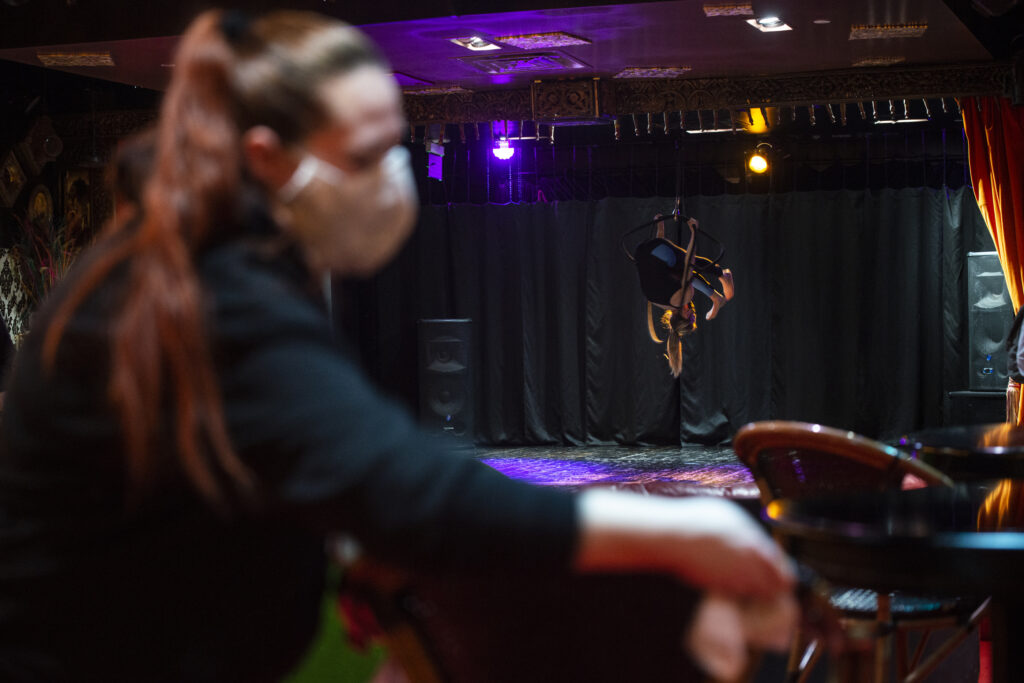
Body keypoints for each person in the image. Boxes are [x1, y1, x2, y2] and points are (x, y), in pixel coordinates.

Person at [0, 9, 794, 681]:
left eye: (398, 147)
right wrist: (691, 533)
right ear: (266, 158)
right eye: (366, 155)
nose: (395, 177)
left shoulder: (213, 263)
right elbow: (417, 496)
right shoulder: (205, 295)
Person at [633, 213, 734, 376]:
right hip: (642, 250)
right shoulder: (657, 301)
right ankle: (717, 291)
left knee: (687, 267)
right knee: (679, 270)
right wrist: (660, 228)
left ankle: (722, 279)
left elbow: (690, 262)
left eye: (692, 317)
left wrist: (694, 231)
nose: (693, 312)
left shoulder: (682, 298)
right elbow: (656, 264)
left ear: (684, 315)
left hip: (654, 251)